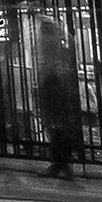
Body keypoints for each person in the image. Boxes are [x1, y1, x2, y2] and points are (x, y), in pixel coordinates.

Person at [33, 15, 80, 178]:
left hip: (51, 82)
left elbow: (47, 65)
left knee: (53, 124)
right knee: (58, 124)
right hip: (55, 83)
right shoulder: (61, 41)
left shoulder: (49, 41)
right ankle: (64, 163)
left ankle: (59, 162)